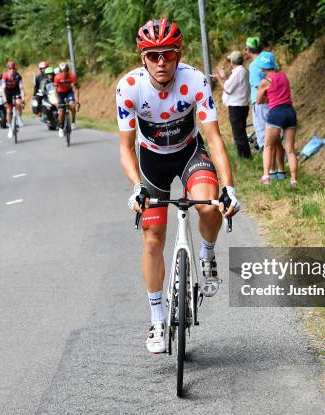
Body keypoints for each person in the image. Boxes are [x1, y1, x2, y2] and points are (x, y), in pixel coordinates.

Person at [116, 18, 240, 354]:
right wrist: (136, 186)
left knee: (207, 204)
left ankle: (207, 254)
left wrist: (229, 187)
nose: (160, 62)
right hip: (152, 161)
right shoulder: (129, 87)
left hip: (190, 152)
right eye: (153, 55)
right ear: (143, 57)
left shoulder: (195, 80)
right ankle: (157, 317)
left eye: (167, 55)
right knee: (153, 238)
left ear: (178, 54)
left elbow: (214, 138)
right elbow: (126, 148)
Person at [256, 51, 298, 187]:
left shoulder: (265, 81)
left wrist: (266, 97)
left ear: (262, 67)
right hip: (290, 112)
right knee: (290, 149)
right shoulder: (284, 76)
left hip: (276, 113)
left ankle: (266, 176)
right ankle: (293, 180)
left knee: (268, 146)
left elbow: (259, 101)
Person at [214, 50, 251, 159]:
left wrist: (219, 78)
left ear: (232, 62)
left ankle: (244, 157)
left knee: (238, 135)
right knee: (241, 132)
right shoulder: (243, 71)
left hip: (236, 107)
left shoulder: (238, 72)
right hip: (242, 106)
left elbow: (228, 88)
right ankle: (246, 156)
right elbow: (232, 85)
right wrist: (224, 77)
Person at [244, 37, 270, 154]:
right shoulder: (267, 60)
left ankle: (269, 169)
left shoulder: (254, 66)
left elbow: (258, 87)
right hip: (272, 101)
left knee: (264, 139)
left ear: (248, 50)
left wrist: (260, 101)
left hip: (260, 103)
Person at [53, 62, 79, 137]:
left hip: (68, 92)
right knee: (61, 111)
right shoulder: (57, 77)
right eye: (62, 71)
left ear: (68, 70)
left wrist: (77, 101)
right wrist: (57, 100)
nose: (64, 73)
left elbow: (76, 89)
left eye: (66, 71)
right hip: (60, 93)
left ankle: (73, 121)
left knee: (72, 106)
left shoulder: (72, 76)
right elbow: (55, 90)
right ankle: (61, 128)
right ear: (60, 72)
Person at [2, 60, 25, 139]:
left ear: (16, 69)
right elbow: (3, 90)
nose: (12, 70)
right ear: (7, 69)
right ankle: (10, 128)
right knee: (8, 111)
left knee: (19, 102)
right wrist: (4, 100)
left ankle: (19, 117)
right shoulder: (5, 76)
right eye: (10, 69)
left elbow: (21, 88)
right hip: (7, 92)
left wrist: (23, 99)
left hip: (16, 90)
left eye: (13, 69)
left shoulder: (18, 76)